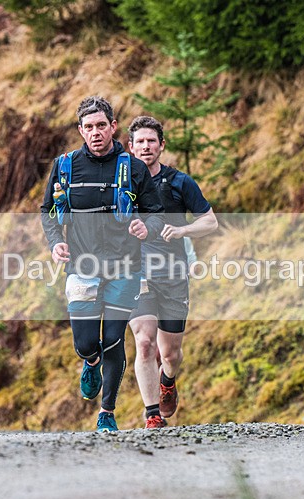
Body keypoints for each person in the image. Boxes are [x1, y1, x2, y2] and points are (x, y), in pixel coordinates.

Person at [41, 96, 164, 433]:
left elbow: (155, 213)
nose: (95, 133)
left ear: (113, 127)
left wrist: (146, 226)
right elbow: (46, 212)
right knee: (85, 343)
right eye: (88, 127)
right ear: (81, 131)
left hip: (125, 267)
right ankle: (90, 362)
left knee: (113, 340)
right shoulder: (65, 166)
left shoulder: (134, 168)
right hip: (81, 267)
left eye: (101, 126)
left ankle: (106, 412)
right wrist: (56, 243)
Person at [127, 116, 218, 429]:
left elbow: (211, 221)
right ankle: (152, 415)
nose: (146, 146)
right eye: (140, 141)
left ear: (161, 145)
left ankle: (167, 380)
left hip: (173, 275)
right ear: (130, 147)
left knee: (171, 353)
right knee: (144, 343)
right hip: (136, 274)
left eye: (152, 141)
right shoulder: (121, 186)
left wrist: (182, 231)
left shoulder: (180, 182)